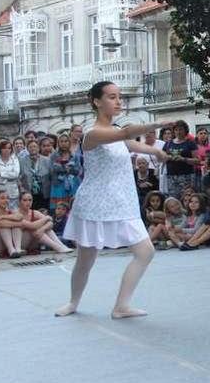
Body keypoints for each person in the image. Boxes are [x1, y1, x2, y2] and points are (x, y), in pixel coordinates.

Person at [55, 81, 171, 319]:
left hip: (122, 203)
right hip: (95, 205)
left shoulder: (115, 131)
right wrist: (155, 124)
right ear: (97, 101)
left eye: (119, 97)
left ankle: (121, 306)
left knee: (145, 252)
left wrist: (156, 152)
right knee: (86, 260)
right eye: (112, 97)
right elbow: (125, 134)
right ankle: (73, 302)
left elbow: (129, 142)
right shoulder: (92, 134)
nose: (118, 101)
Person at [164, 120, 198, 200]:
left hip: (187, 176)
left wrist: (184, 159)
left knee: (187, 199)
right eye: (176, 130)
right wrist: (169, 157)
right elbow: (162, 157)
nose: (178, 132)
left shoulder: (190, 143)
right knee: (173, 199)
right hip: (171, 177)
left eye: (180, 129)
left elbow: (197, 160)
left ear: (185, 130)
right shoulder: (168, 144)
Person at [0, 191, 25, 258]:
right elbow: (1, 224)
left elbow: (20, 216)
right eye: (2, 198)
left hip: (7, 245)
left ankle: (17, 249)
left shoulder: (10, 212)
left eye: (7, 198)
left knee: (13, 224)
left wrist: (2, 216)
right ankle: (11, 250)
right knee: (3, 225)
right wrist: (18, 223)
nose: (6, 200)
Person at [49, 133, 80, 212]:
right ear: (58, 143)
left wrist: (65, 169)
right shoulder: (54, 155)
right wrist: (65, 168)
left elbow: (77, 169)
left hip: (72, 184)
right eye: (61, 141)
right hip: (58, 184)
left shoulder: (74, 155)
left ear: (69, 142)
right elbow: (52, 169)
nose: (64, 143)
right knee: (59, 208)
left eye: (66, 141)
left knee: (73, 207)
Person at [19, 139, 52, 211]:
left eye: (34, 146)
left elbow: (51, 176)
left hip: (44, 192)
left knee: (44, 212)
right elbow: (19, 177)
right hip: (29, 193)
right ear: (27, 149)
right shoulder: (22, 161)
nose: (33, 148)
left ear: (38, 148)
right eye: (30, 147)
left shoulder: (47, 160)